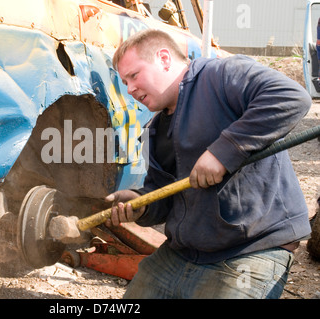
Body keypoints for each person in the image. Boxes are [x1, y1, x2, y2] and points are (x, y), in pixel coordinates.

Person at [105, 29, 312, 299]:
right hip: (181, 255)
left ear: (164, 59)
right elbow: (164, 197)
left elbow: (291, 97)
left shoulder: (221, 75)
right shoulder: (155, 130)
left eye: (134, 75)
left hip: (251, 250)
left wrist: (225, 151)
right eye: (124, 82)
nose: (130, 88)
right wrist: (140, 205)